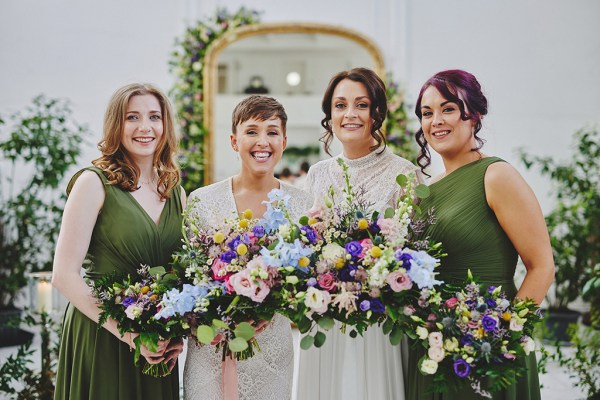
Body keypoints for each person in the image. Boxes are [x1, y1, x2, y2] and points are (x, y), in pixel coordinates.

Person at [406, 69, 555, 399]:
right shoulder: (424, 190)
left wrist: (501, 339)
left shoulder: (496, 175)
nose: (436, 121)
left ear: (474, 114)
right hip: (431, 348)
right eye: (427, 113)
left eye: (448, 108)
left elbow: (542, 266)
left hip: (488, 352)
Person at [52, 83, 185, 399]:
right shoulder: (93, 183)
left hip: (158, 344)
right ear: (116, 125)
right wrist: (131, 335)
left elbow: (182, 274)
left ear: (165, 125)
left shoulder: (176, 191)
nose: (145, 127)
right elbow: (64, 275)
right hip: (102, 335)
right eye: (132, 117)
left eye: (154, 116)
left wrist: (177, 333)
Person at [296, 67, 419, 400]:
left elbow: (415, 251)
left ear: (376, 113)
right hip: (324, 319)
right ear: (330, 115)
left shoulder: (404, 174)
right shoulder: (318, 174)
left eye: (361, 105)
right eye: (340, 105)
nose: (349, 114)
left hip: (378, 324)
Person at [183, 95, 312, 400]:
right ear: (233, 140)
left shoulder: (302, 204)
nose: (262, 141)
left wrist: (274, 305)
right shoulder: (202, 200)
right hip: (210, 347)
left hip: (272, 348)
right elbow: (188, 274)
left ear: (284, 140)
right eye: (252, 131)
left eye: (271, 132)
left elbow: (306, 282)